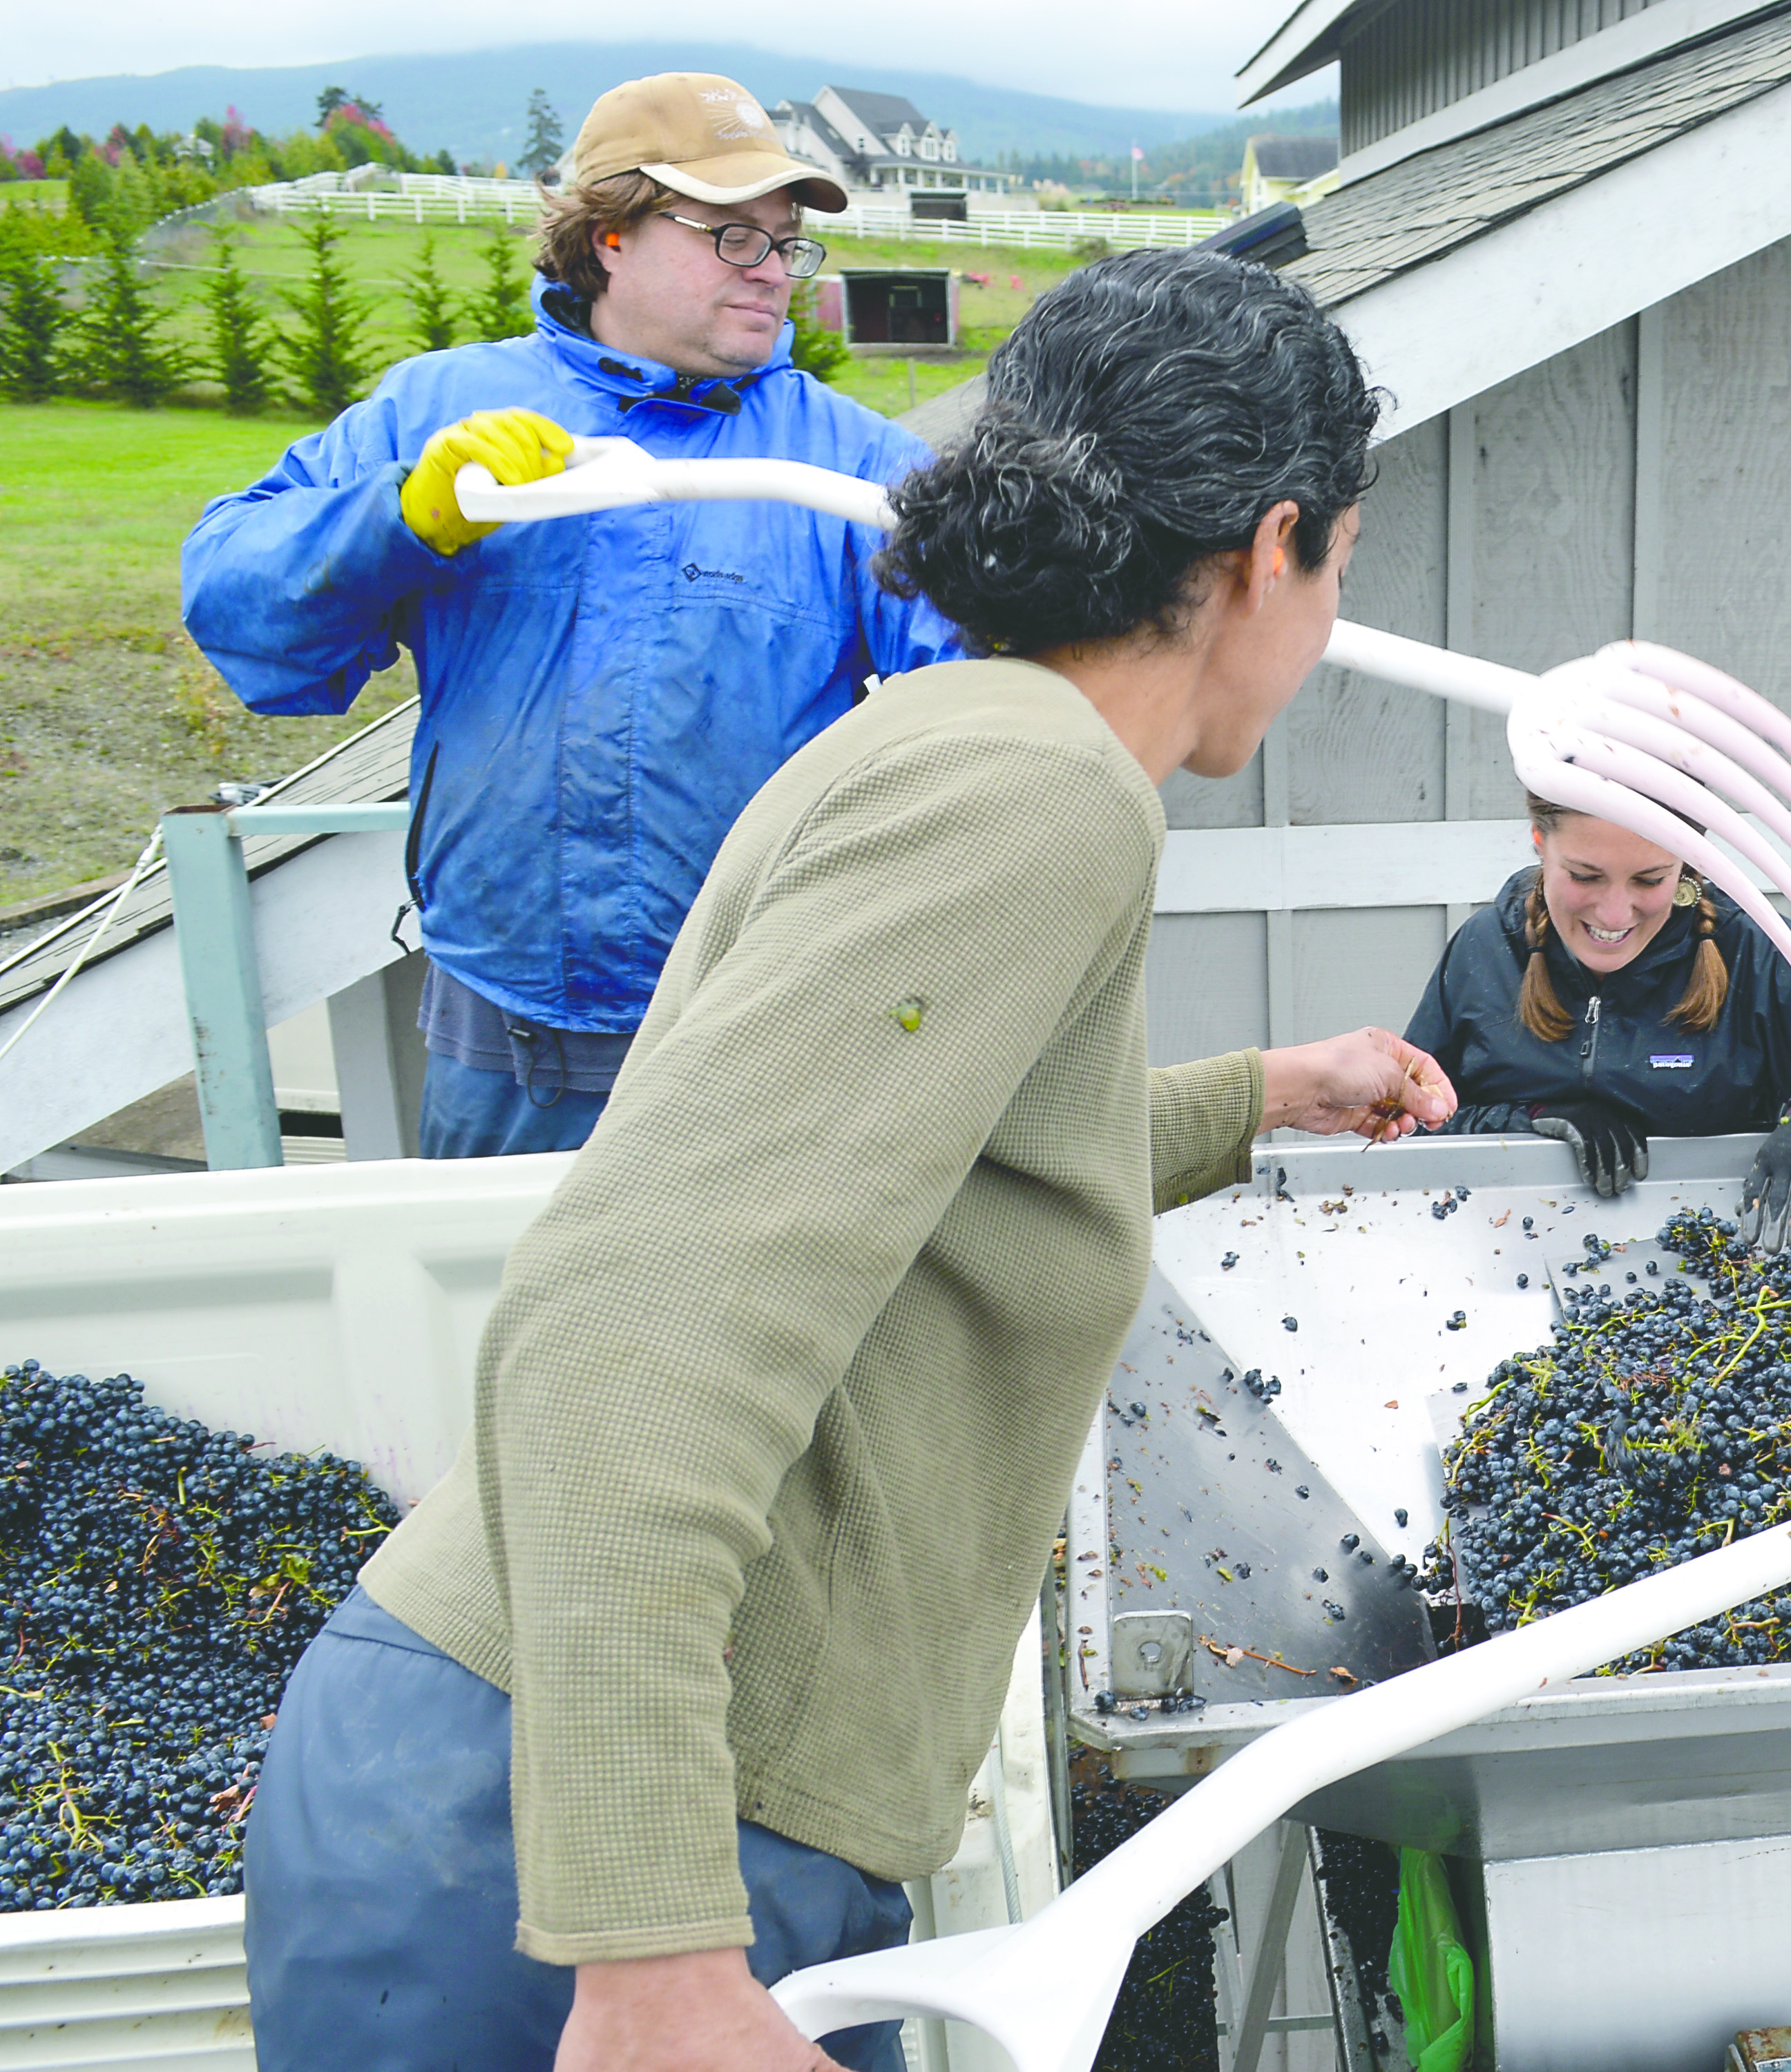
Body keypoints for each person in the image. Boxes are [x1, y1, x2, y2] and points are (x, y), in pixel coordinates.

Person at [238, 250, 1450, 2072]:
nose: (1334, 599)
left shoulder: (957, 740)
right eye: (1344, 559)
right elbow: (623, 1324)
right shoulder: (1035, 793)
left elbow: (929, 1166)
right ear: (1273, 545)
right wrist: (648, 1949)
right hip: (575, 1848)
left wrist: (1256, 1092)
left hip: (587, 1802)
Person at [180, 73, 963, 1160]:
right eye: (736, 238)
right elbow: (237, 606)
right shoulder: (438, 413)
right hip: (503, 1058)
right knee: (497, 1326)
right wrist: (398, 517)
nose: (776, 272)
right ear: (610, 237)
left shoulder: (851, 463)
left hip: (760, 1053)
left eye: (787, 244)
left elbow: (991, 700)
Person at [1406, 796, 1791, 1247]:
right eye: (1585, 875)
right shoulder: (1486, 950)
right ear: (1539, 842)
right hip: (1503, 1262)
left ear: (1689, 864)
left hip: (1723, 1268)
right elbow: (1405, 1128)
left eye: (1650, 880)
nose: (1613, 913)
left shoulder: (1757, 954)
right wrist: (1528, 1118)